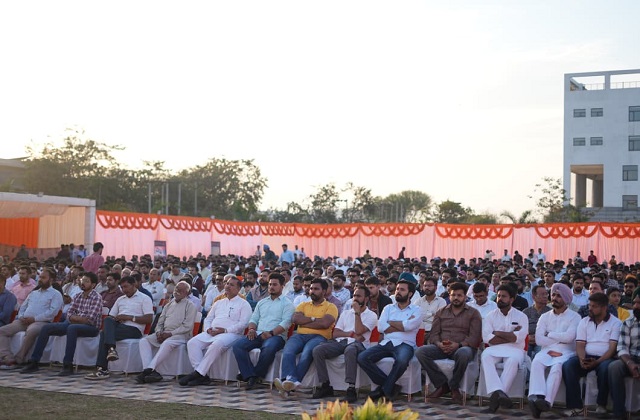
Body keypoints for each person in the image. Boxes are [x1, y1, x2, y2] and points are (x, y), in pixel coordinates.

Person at [20, 272, 103, 375]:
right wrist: (75, 318)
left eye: (86, 281)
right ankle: (34, 361)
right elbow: (69, 314)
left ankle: (68, 365)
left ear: (93, 285)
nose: (83, 283)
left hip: (91, 328)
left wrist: (74, 318)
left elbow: (90, 319)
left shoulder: (96, 297)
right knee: (46, 328)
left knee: (72, 328)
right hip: (71, 323)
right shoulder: (78, 296)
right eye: (82, 280)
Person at [357, 278, 422, 401]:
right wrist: (402, 324)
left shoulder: (416, 309)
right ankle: (390, 386)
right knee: (362, 357)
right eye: (397, 289)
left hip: (405, 344)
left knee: (402, 361)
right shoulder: (388, 308)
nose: (398, 292)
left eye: (402, 290)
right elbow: (381, 327)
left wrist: (391, 323)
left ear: (410, 294)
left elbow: (409, 326)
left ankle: (385, 389)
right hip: (386, 343)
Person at [417, 282, 482, 404]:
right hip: (442, 347)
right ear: (449, 296)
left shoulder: (473, 313)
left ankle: (454, 386)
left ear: (465, 297)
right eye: (453, 295)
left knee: (463, 353)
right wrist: (439, 344)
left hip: (462, 348)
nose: (456, 298)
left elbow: (474, 337)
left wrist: (458, 345)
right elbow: (434, 334)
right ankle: (442, 385)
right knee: (420, 351)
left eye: (459, 295)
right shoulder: (441, 312)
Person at [180, 276, 251, 386]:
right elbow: (208, 319)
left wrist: (225, 330)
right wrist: (208, 329)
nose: (227, 286)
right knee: (192, 343)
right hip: (212, 332)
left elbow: (243, 323)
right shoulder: (219, 302)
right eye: (227, 283)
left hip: (231, 334)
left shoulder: (244, 304)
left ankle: (198, 373)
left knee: (216, 344)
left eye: (232, 285)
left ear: (238, 289)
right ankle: (202, 375)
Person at [311, 285, 377, 402]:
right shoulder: (346, 313)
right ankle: (325, 385)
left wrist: (357, 313)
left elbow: (359, 331)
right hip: (342, 342)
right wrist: (350, 334)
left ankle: (351, 388)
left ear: (366, 298)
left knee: (350, 350)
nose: (355, 298)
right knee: (318, 350)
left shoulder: (371, 315)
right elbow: (335, 333)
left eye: (359, 296)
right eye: (354, 295)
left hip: (359, 344)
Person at [561, 292, 621, 417]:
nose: (590, 309)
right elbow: (580, 345)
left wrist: (597, 362)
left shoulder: (615, 323)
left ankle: (601, 405)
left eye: (594, 306)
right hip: (586, 356)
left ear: (604, 308)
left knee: (605, 368)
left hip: (605, 358)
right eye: (590, 305)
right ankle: (575, 406)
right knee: (568, 366)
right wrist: (582, 359)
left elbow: (612, 349)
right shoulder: (584, 321)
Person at [274, 278, 337, 395]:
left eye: (316, 289)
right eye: (311, 288)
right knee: (288, 351)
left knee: (307, 353)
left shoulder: (331, 307)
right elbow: (295, 319)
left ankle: (289, 381)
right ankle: (290, 381)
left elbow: (325, 324)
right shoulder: (303, 305)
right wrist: (314, 320)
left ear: (324, 291)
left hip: (320, 337)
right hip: (300, 335)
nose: (312, 291)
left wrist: (305, 321)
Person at [527, 283, 582, 418]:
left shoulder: (575, 317)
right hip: (547, 350)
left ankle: (546, 402)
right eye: (553, 295)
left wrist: (550, 334)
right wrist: (557, 340)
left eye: (559, 296)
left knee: (557, 367)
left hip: (566, 351)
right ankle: (538, 397)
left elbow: (569, 338)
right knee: (537, 362)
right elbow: (539, 340)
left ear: (566, 299)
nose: (555, 298)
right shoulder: (545, 316)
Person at [232, 273, 294, 390]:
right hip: (258, 333)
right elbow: (253, 319)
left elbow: (286, 323)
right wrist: (251, 329)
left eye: (275, 285)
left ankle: (255, 375)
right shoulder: (262, 302)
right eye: (270, 284)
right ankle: (250, 375)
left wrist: (271, 333)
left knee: (269, 348)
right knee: (238, 346)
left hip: (276, 336)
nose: (271, 287)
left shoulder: (288, 304)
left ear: (282, 286)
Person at [85, 276, 154, 380]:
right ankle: (111, 349)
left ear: (133, 285)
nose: (124, 290)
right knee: (108, 320)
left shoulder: (144, 298)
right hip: (119, 326)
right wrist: (117, 318)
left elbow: (149, 319)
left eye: (126, 286)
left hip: (134, 329)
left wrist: (128, 317)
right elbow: (111, 316)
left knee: (104, 334)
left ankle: (103, 368)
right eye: (122, 287)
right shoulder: (120, 299)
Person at [0, 267, 63, 369]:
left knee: (32, 331)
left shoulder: (56, 294)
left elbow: (52, 312)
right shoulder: (34, 293)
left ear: (51, 280)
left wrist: (35, 319)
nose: (40, 280)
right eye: (40, 277)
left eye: (43, 278)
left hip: (41, 322)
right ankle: (8, 357)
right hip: (23, 321)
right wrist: (21, 316)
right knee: (2, 331)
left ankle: (19, 359)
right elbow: (22, 307)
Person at [136, 281, 197, 384]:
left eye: (181, 290)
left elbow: (187, 326)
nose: (177, 291)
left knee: (167, 343)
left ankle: (148, 370)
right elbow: (160, 322)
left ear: (186, 293)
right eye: (176, 289)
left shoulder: (190, 305)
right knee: (144, 341)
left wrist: (170, 334)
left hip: (181, 335)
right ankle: (151, 371)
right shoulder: (168, 305)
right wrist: (159, 332)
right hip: (164, 333)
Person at [480, 284, 529, 414]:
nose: (500, 299)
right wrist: (510, 335)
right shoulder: (490, 316)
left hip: (515, 350)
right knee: (485, 356)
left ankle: (495, 400)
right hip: (495, 348)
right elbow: (487, 338)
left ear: (512, 299)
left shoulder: (521, 316)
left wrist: (497, 333)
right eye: (498, 296)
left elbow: (519, 338)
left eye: (504, 296)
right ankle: (500, 393)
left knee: (512, 361)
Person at [608, 286, 640, 419]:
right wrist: (630, 364)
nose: (636, 306)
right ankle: (619, 412)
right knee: (614, 367)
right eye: (634, 303)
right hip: (631, 358)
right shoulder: (628, 323)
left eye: (639, 303)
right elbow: (622, 348)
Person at [415, 276, 447, 343]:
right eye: (425, 286)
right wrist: (432, 314)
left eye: (429, 286)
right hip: (418, 330)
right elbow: (415, 317)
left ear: (435, 288)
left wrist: (423, 315)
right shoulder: (418, 301)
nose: (427, 288)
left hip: (434, 331)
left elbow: (439, 318)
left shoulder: (441, 301)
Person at [523, 285, 551, 359]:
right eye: (542, 294)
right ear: (534, 297)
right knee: (524, 354)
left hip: (543, 341)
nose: (545, 296)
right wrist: (527, 337)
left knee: (539, 355)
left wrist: (540, 337)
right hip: (528, 340)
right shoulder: (526, 312)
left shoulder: (550, 312)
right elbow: (520, 328)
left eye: (546, 294)